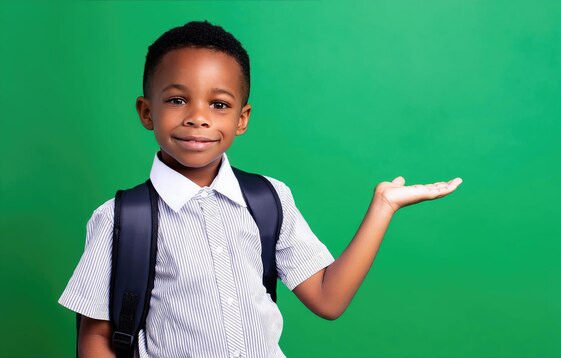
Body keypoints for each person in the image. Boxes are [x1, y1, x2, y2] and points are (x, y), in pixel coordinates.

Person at [59, 20, 463, 358]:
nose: (198, 118)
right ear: (148, 112)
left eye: (218, 104)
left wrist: (382, 208)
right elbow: (96, 334)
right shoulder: (120, 218)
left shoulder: (269, 199)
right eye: (178, 100)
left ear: (242, 118)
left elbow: (328, 299)